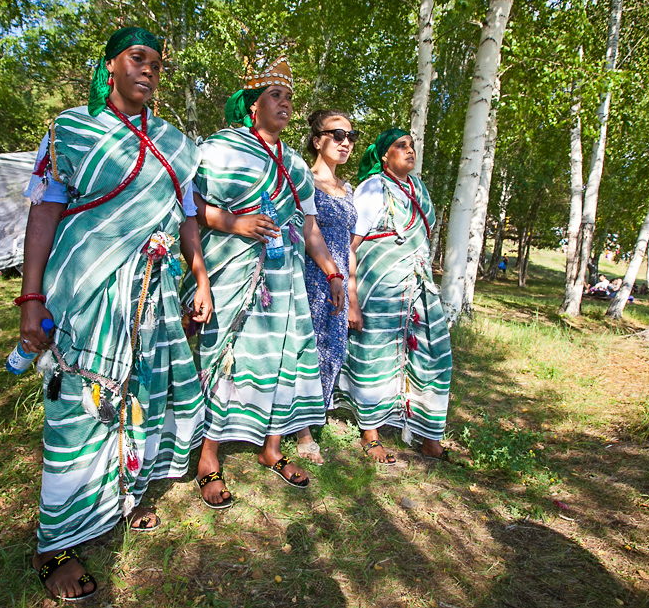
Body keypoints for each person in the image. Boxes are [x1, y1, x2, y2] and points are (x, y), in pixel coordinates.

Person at [16, 27, 213, 602]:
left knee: (138, 398)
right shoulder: (71, 130)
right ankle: (56, 544)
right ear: (110, 65)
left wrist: (200, 278)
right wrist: (31, 299)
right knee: (81, 405)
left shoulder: (177, 143)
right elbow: (44, 213)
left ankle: (121, 502)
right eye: (137, 58)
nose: (149, 70)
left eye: (156, 63)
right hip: (85, 288)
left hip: (150, 296)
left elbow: (186, 219)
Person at [181, 56, 345, 507]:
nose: (286, 104)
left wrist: (332, 271)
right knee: (224, 355)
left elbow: (310, 227)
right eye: (276, 95)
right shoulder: (220, 148)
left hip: (285, 277)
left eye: (290, 97)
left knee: (279, 355)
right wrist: (234, 223)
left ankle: (271, 450)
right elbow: (189, 204)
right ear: (253, 105)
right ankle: (208, 459)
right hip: (233, 270)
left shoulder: (294, 163)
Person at [338, 129, 454, 465]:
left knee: (434, 354)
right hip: (381, 287)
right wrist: (353, 296)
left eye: (411, 145)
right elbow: (351, 245)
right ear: (383, 156)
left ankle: (429, 435)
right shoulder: (374, 187)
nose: (409, 150)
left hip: (419, 287)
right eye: (399, 146)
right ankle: (370, 433)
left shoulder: (419, 189)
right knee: (376, 357)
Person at [293, 109, 359, 466]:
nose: (345, 142)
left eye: (351, 136)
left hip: (339, 279)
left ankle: (313, 412)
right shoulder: (305, 180)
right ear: (317, 141)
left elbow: (349, 245)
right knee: (308, 347)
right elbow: (307, 231)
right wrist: (331, 274)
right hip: (312, 274)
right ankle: (302, 429)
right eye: (337, 135)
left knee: (333, 348)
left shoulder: (346, 189)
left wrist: (351, 294)